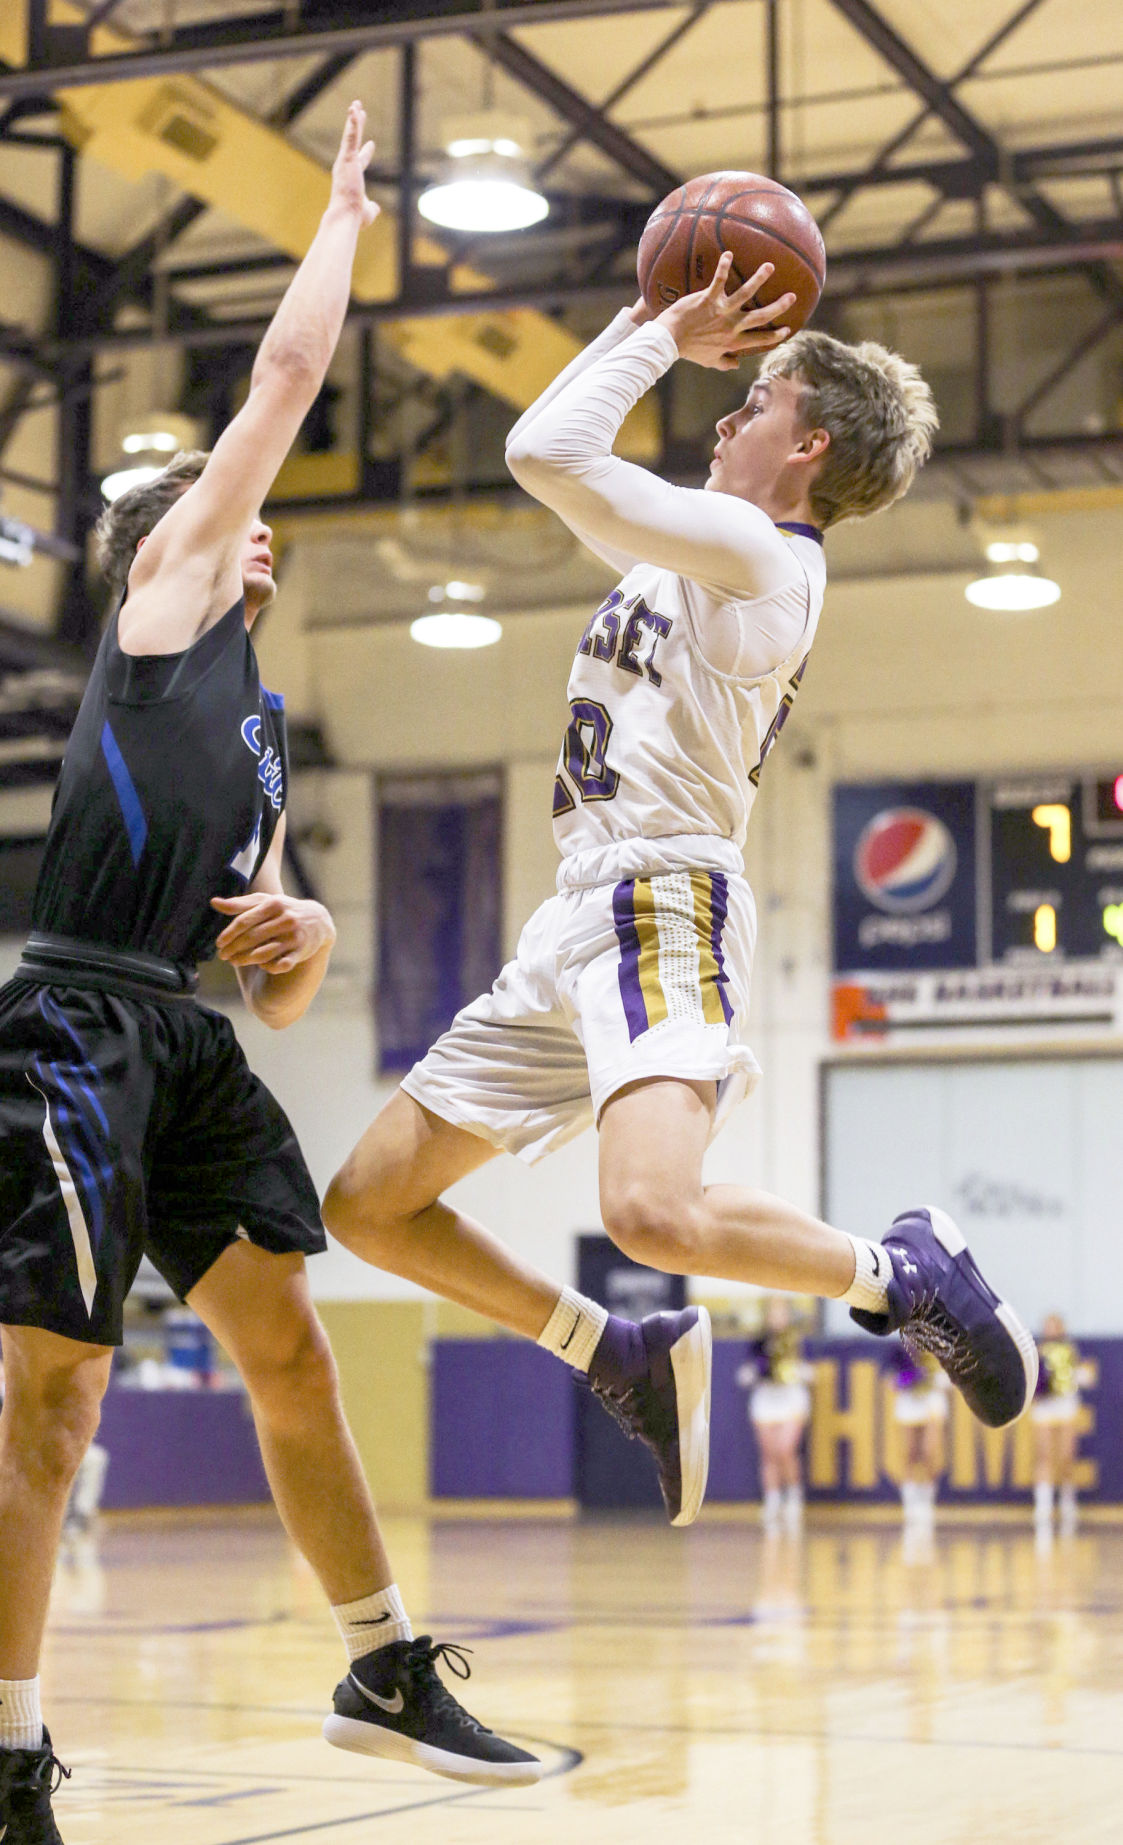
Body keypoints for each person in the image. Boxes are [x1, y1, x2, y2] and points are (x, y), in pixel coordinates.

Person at [0, 104, 538, 1845]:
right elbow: (287, 385)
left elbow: (285, 982)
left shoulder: (256, 730)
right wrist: (342, 218)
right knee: (57, 1397)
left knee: (289, 1350)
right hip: (70, 1020)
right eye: (244, 522)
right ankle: (9, 1749)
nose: (265, 544)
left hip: (188, 1037)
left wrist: (295, 946)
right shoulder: (157, 607)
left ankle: (381, 1666)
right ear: (187, 533)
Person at [322, 249, 1039, 1531]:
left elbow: (545, 452)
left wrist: (654, 325)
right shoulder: (698, 549)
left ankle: (899, 1271)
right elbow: (568, 463)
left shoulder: (763, 557)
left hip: (663, 899)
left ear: (809, 444)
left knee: (651, 1210)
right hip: (571, 918)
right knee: (368, 1205)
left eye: (754, 398)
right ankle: (614, 1351)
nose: (725, 409)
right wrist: (652, 322)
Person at [735, 1297, 813, 1530]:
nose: (777, 1317)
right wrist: (754, 1373)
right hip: (766, 1401)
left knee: (786, 1450)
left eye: (781, 1312)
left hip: (791, 1400)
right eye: (773, 1312)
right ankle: (772, 1500)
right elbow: (748, 1371)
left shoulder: (796, 1339)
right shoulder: (759, 1342)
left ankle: (794, 1498)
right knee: (769, 1453)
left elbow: (809, 1369)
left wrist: (799, 1372)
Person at [1032, 1312, 1093, 1535]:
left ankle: (1068, 1501)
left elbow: (1079, 1373)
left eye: (1054, 1326)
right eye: (1047, 1326)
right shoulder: (1036, 1351)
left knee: (1067, 1455)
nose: (1051, 1330)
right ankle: (1043, 1505)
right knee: (1044, 1455)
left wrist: (1080, 1375)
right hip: (1045, 1407)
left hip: (1066, 1404)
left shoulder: (1070, 1350)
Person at [887, 1341, 949, 1532]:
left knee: (929, 1451)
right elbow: (893, 1374)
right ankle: (910, 1504)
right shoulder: (903, 1342)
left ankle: (927, 1502)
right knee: (910, 1451)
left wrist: (936, 1378)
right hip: (909, 1400)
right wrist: (904, 1379)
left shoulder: (941, 1338)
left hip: (931, 1399)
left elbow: (952, 1369)